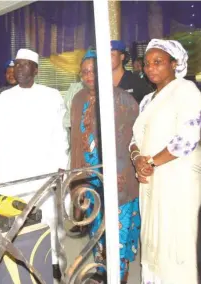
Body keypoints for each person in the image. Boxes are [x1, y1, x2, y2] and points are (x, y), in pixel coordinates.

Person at [0, 48, 69, 280]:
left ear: (36, 70)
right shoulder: (1, 100)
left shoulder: (52, 96)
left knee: (48, 219)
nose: (19, 69)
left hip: (42, 169)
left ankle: (52, 262)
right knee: (14, 218)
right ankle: (16, 263)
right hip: (13, 171)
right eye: (16, 65)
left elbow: (59, 134)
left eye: (25, 65)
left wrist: (61, 165)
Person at [129, 39, 201, 284]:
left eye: (158, 62)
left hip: (176, 177)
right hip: (150, 179)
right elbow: (134, 138)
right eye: (147, 63)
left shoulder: (186, 90)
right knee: (152, 240)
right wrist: (138, 159)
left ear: (175, 63)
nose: (151, 68)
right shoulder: (147, 100)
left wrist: (152, 161)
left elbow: (189, 136)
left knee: (175, 239)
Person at [70, 50, 140, 284]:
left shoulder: (123, 100)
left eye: (94, 71)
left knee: (117, 242)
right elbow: (76, 145)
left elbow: (133, 140)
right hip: (91, 183)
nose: (89, 76)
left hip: (119, 183)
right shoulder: (78, 99)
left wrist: (121, 172)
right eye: (85, 72)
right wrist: (76, 184)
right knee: (98, 241)